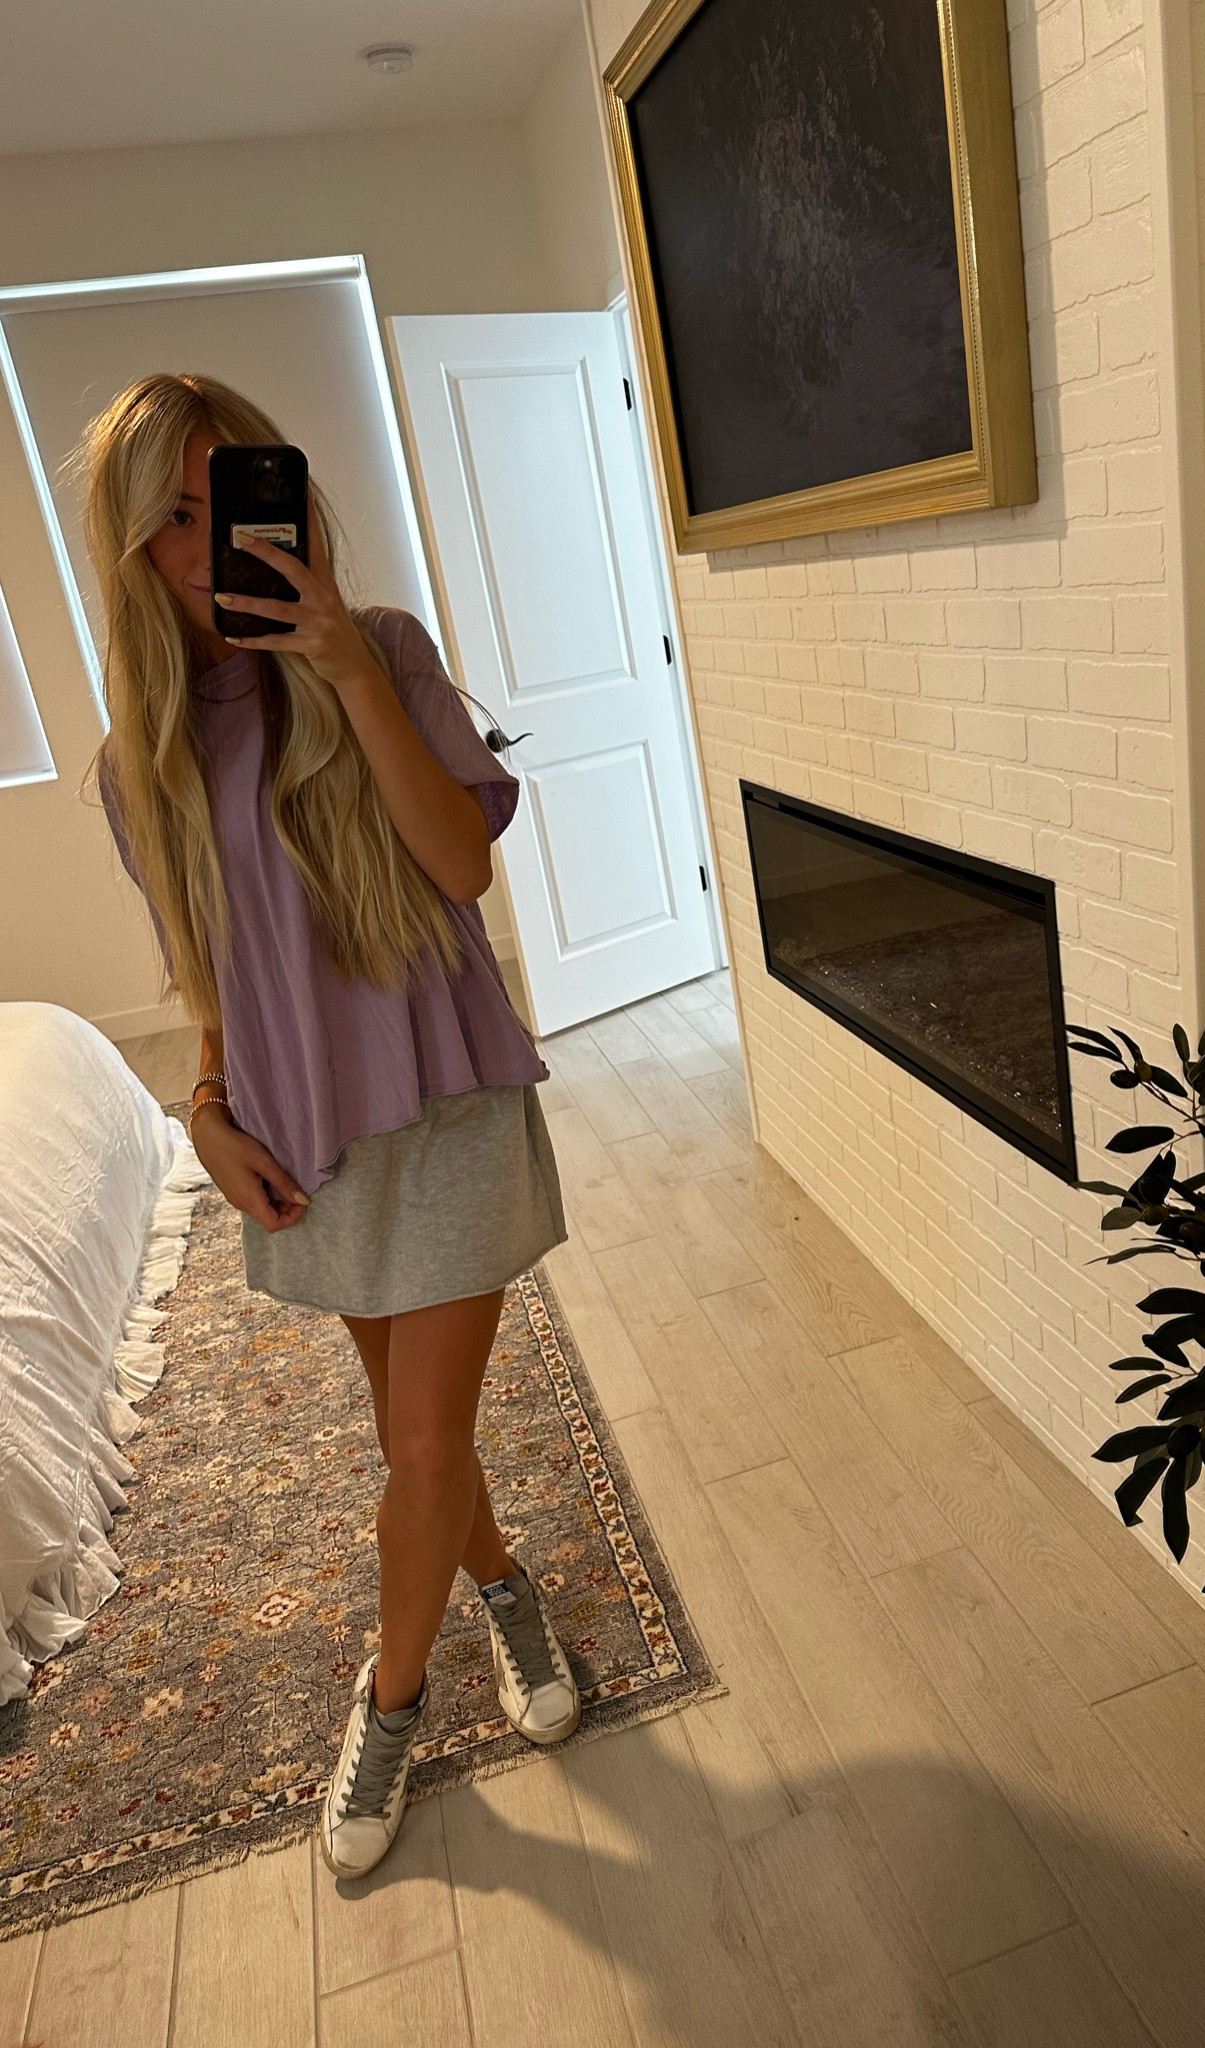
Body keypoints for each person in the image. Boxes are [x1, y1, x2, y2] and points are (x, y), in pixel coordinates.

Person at [85, 371, 580, 1881]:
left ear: (286, 501)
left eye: (232, 500)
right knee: (415, 1439)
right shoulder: (138, 761)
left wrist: (352, 673)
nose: (209, 544)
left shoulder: (390, 651)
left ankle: (392, 1703)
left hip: (446, 1103)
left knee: (421, 1439)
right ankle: (507, 1590)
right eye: (174, 518)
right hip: (313, 1132)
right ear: (133, 547)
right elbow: (214, 968)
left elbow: (462, 870)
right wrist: (206, 1107)